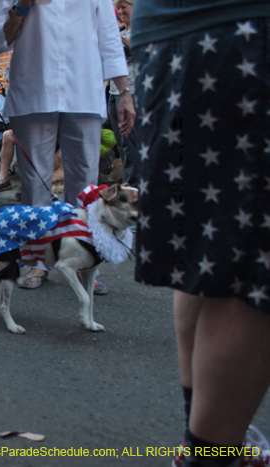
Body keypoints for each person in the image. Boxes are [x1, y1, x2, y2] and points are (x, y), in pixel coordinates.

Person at [131, 2, 270, 466]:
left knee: (206, 251)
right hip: (245, 33)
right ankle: (211, 455)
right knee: (250, 268)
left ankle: (209, 438)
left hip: (171, 38)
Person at [0, 0, 134, 290]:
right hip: (34, 90)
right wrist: (22, 7)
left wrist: (125, 90)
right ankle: (36, 260)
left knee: (85, 185)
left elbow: (108, 37)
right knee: (34, 183)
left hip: (84, 91)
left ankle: (82, 259)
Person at [107, 0, 140, 187]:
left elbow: (134, 49)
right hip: (113, 92)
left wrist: (112, 36)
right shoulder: (119, 33)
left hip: (132, 92)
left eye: (123, 7)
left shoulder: (141, 32)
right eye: (117, 8)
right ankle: (130, 184)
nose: (120, 12)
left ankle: (133, 188)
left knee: (131, 144)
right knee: (121, 144)